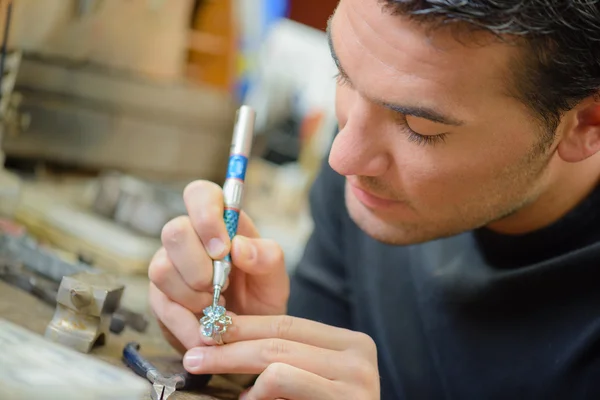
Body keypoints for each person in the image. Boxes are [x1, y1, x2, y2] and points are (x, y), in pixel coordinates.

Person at [148, 0, 600, 398]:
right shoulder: (369, 164)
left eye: (419, 127)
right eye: (342, 72)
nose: (343, 158)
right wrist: (246, 358)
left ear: (586, 124)